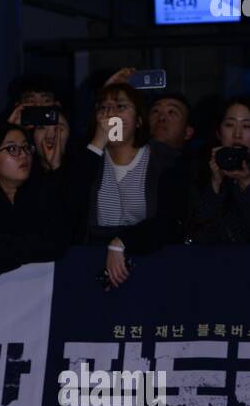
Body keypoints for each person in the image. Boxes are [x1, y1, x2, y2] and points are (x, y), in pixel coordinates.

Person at [71, 72, 184, 287]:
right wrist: (97, 143)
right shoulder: (88, 157)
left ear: (139, 120)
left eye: (121, 107)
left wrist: (123, 242)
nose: (110, 115)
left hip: (150, 258)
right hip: (91, 261)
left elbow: (170, 220)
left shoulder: (164, 161)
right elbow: (71, 200)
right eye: (104, 108)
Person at [0, 122, 70, 280]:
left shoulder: (43, 194)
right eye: (12, 149)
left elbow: (57, 245)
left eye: (26, 147)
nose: (24, 155)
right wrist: (27, 250)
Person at [187, 97, 250, 244]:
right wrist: (215, 184)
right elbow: (198, 236)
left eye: (247, 126)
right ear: (218, 133)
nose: (237, 134)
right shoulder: (198, 170)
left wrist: (246, 184)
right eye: (229, 125)